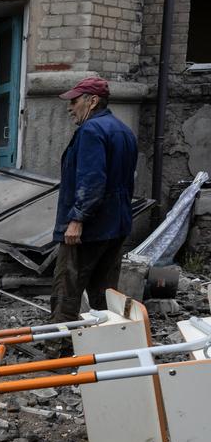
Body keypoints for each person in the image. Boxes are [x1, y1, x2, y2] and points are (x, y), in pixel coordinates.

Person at [49, 76, 137, 323]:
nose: (70, 107)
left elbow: (92, 181)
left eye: (74, 101)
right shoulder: (124, 131)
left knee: (66, 291)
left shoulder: (91, 130)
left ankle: (59, 353)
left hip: (89, 229)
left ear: (93, 101)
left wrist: (77, 219)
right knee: (105, 296)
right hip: (116, 226)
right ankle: (108, 353)